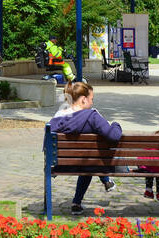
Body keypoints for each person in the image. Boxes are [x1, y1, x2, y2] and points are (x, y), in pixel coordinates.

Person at [48, 80, 120, 214]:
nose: (92, 103)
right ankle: (104, 181)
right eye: (91, 99)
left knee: (87, 160)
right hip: (91, 163)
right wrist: (116, 124)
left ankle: (77, 202)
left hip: (63, 164)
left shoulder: (57, 118)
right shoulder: (92, 116)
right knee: (90, 160)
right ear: (83, 99)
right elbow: (114, 136)